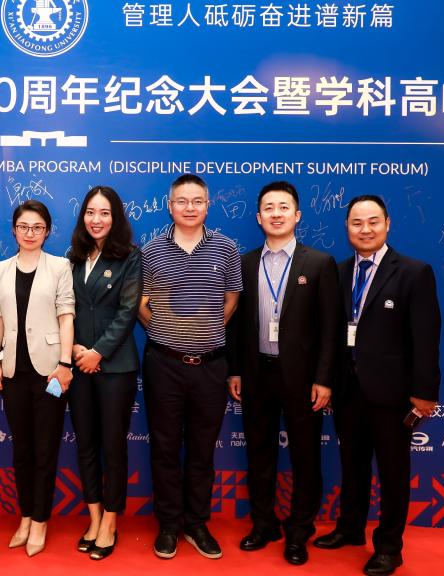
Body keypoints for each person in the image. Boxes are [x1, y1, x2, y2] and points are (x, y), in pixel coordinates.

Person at [312, 195, 441, 576]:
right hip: (348, 390)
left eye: (372, 222)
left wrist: (425, 392)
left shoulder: (414, 272)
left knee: (393, 473)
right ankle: (350, 529)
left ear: (387, 224)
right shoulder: (338, 271)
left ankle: (389, 547)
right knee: (352, 466)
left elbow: (426, 337)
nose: (365, 230)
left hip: (393, 393)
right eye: (356, 223)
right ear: (347, 227)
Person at [227, 181, 339, 566]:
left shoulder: (319, 263)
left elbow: (331, 329)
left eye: (283, 207)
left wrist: (324, 379)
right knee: (259, 454)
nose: (276, 214)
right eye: (269, 208)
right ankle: (263, 524)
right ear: (259, 217)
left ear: (297, 215)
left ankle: (299, 530)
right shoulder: (244, 263)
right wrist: (235, 371)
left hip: (303, 380)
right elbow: (235, 325)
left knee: (305, 457)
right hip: (256, 373)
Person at [138, 173, 242, 560]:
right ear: (170, 206)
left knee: (202, 449)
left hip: (211, 366)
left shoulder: (226, 248)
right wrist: (167, 331)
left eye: (197, 201)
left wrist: (203, 331)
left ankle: (196, 523)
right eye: (181, 201)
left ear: (208, 206)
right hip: (163, 364)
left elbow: (231, 300)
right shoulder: (151, 250)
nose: (189, 207)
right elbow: (141, 304)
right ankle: (168, 524)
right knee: (164, 447)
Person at [0, 199, 75, 557]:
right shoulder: (0, 269)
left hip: (50, 372)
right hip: (13, 373)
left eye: (37, 227)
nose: (30, 233)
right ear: (13, 230)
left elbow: (66, 316)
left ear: (47, 231)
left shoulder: (60, 266)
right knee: (22, 449)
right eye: (23, 226)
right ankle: (25, 516)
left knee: (45, 449)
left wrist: (65, 363)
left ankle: (40, 520)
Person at [67, 186, 141, 560]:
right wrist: (75, 349)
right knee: (86, 443)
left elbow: (128, 312)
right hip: (78, 364)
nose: (96, 220)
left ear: (116, 217)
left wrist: (97, 352)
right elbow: (66, 308)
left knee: (112, 445)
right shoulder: (73, 257)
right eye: (90, 212)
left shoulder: (129, 256)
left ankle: (111, 521)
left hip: (115, 367)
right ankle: (94, 517)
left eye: (105, 213)